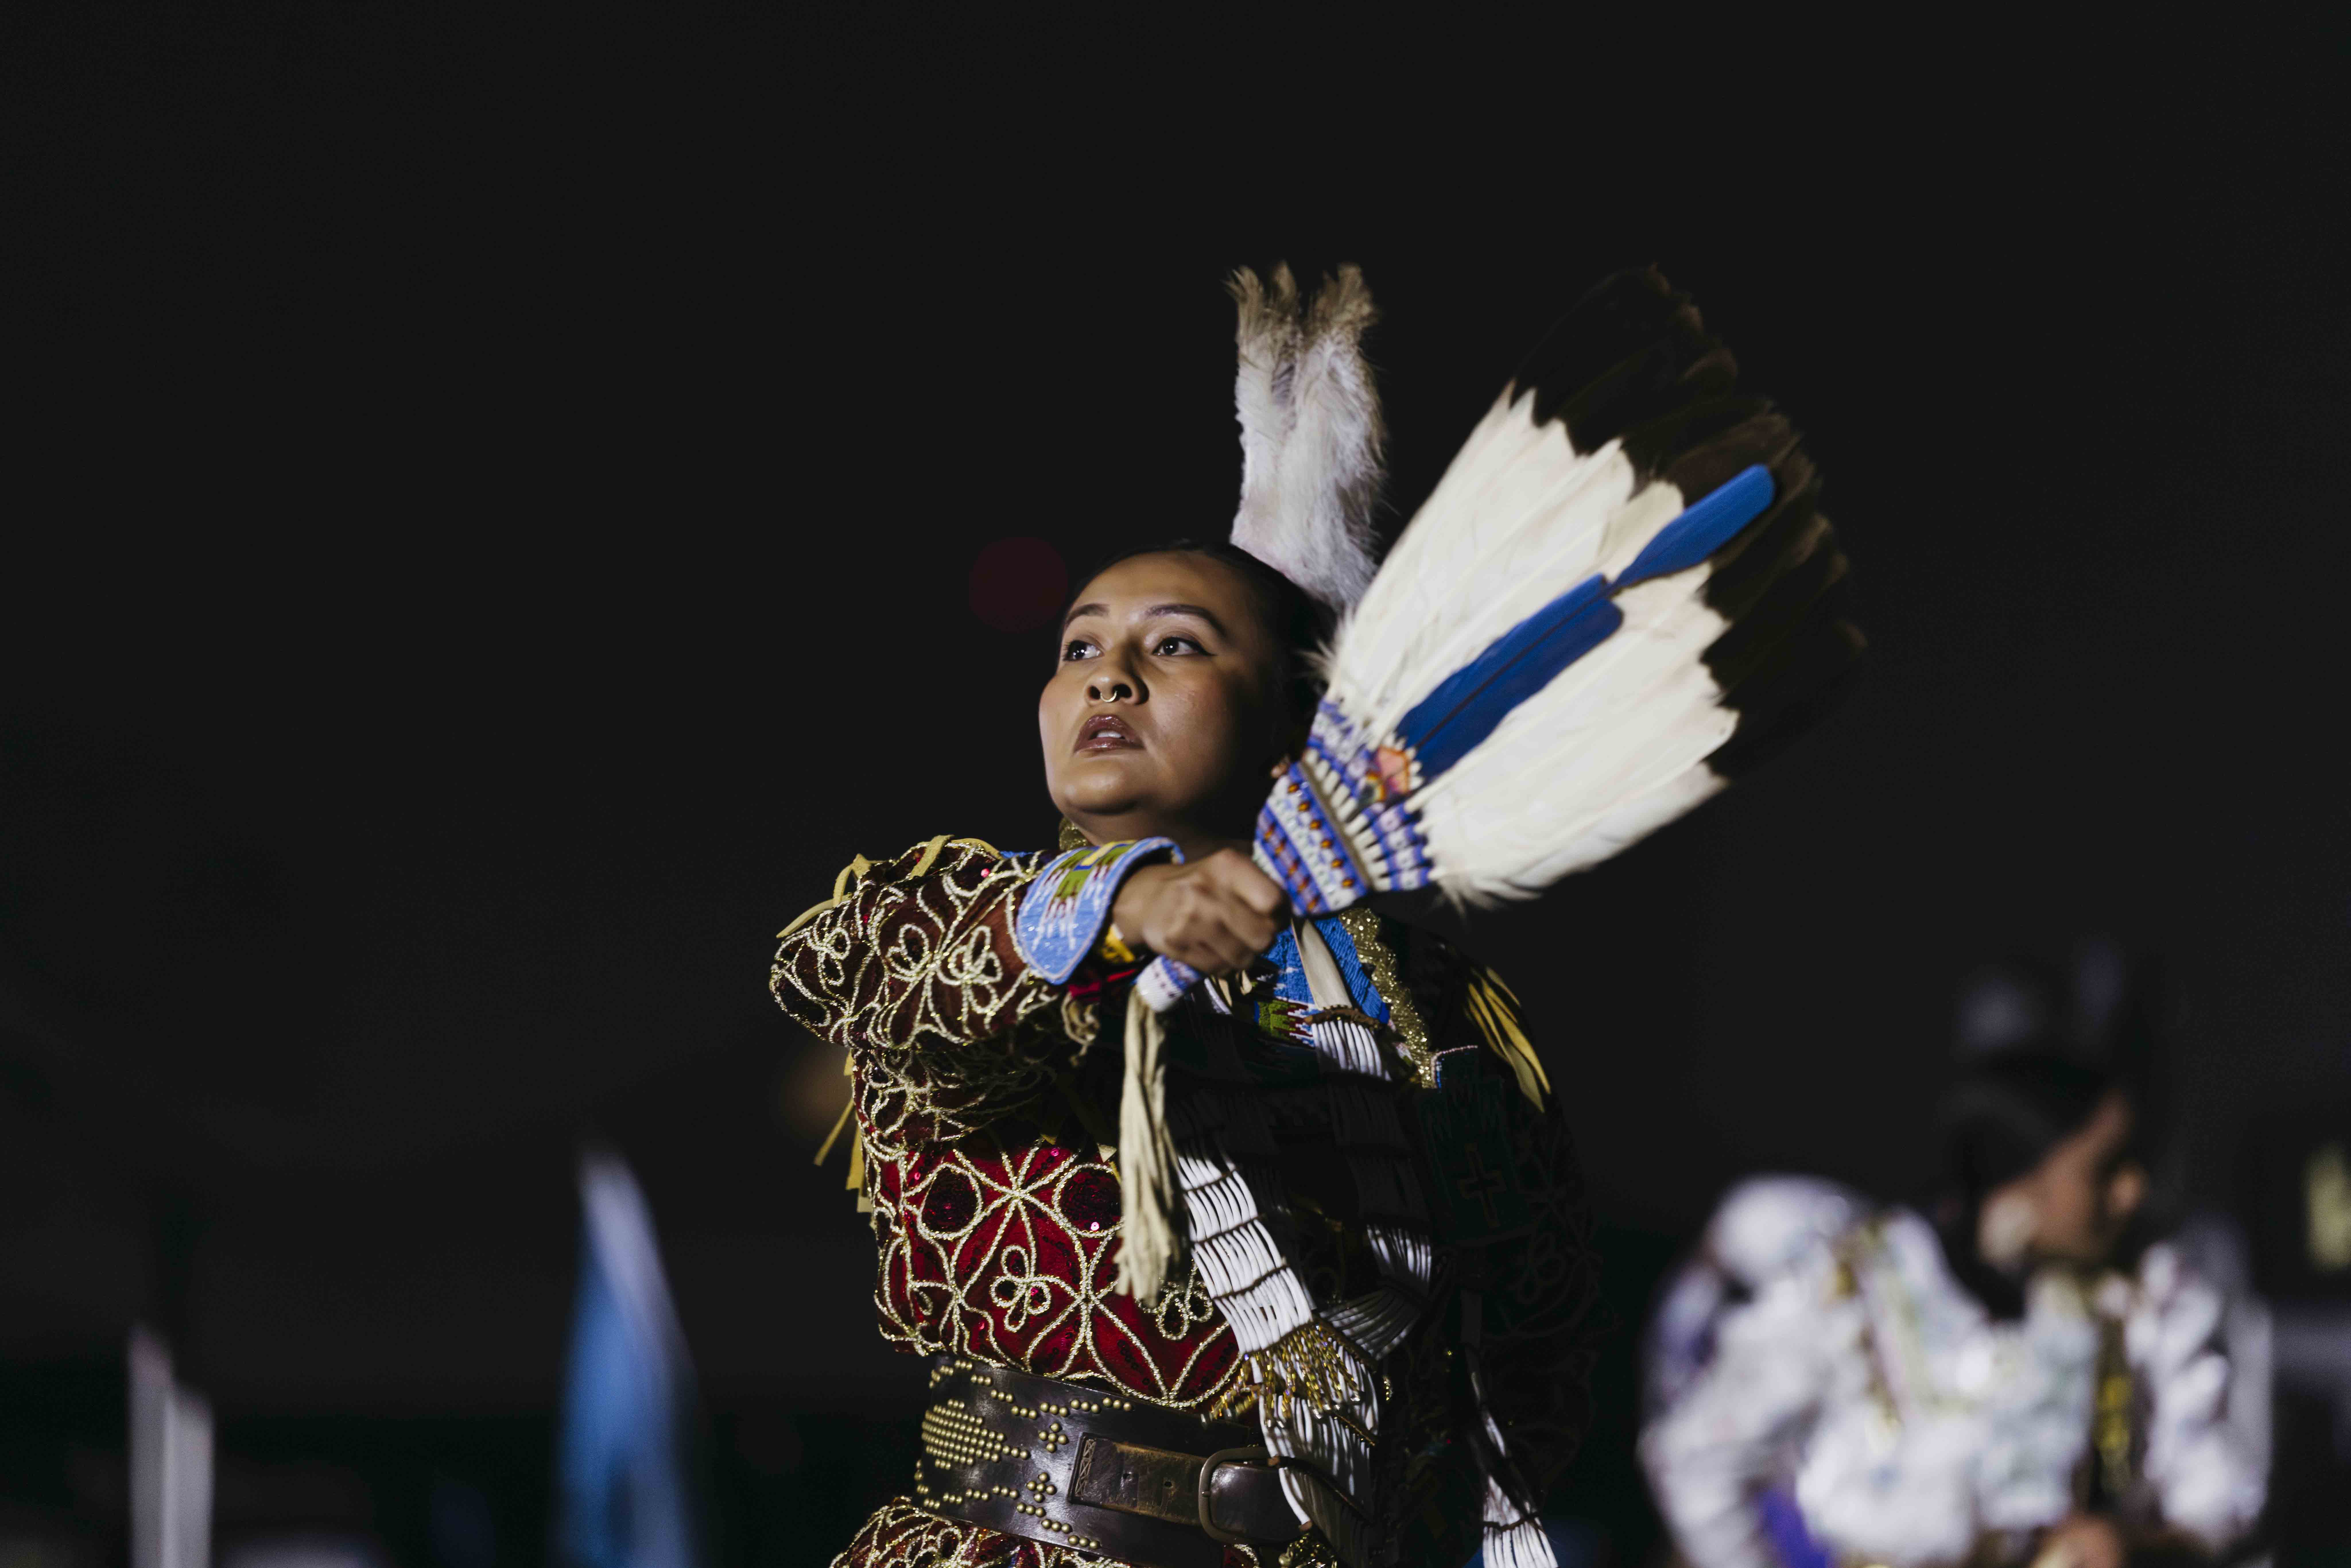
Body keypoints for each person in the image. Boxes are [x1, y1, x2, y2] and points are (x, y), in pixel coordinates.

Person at [771, 270, 1600, 1568]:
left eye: (1175, 646)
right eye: (1077, 644)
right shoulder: (949, 916)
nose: (1106, 669)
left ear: (1290, 730)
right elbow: (877, 979)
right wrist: (1130, 906)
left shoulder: (1434, 1011)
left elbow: (1535, 1332)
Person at [1640, 959, 2268, 1568]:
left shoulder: (2143, 1299)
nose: (2131, 1191)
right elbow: (1697, 1456)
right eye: (2102, 1171)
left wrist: (2138, 1549)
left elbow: (2218, 1492)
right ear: (2021, 1184)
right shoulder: (1850, 1289)